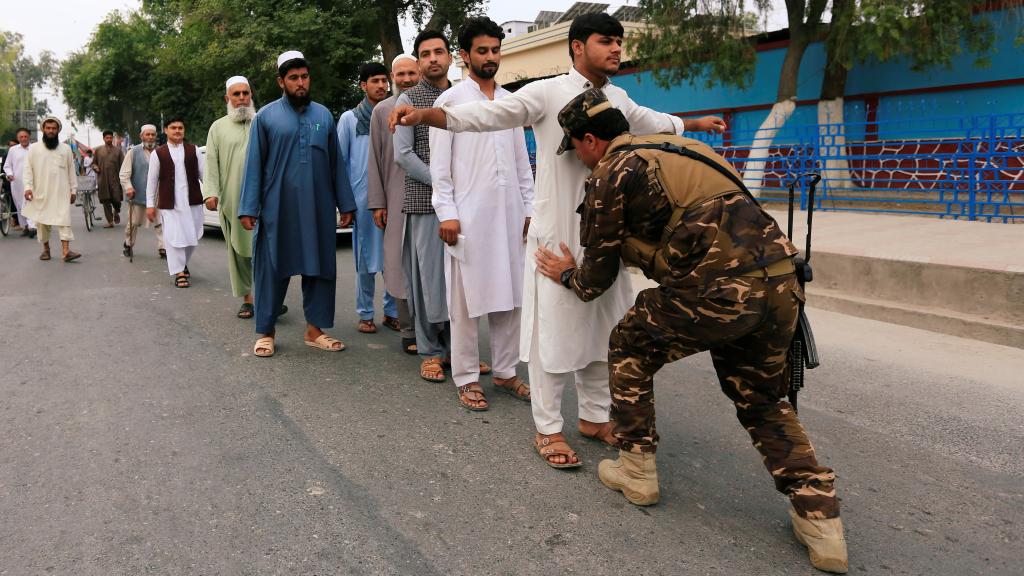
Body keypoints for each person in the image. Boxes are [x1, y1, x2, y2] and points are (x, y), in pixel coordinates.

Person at [533, 88, 847, 573]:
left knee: (629, 344)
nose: (578, 157)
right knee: (762, 400)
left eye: (575, 147)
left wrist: (566, 273)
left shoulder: (610, 174)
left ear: (589, 140)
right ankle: (821, 521)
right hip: (781, 283)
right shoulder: (690, 150)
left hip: (718, 290)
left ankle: (636, 468)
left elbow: (595, 281)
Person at [391, 13, 726, 467]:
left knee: (603, 330)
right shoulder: (545, 93)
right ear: (576, 47)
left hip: (605, 239)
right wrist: (425, 113)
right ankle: (548, 428)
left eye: (618, 41)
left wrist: (696, 124)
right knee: (552, 334)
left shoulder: (618, 98)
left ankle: (593, 417)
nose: (615, 49)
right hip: (557, 238)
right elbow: (487, 115)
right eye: (606, 41)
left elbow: (653, 122)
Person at [429, 17, 534, 411]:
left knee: (511, 298)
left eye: (495, 50)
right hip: (468, 218)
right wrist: (447, 214)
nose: (491, 58)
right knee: (465, 302)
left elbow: (523, 165)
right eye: (482, 51)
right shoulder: (450, 103)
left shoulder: (510, 103)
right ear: (465, 56)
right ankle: (468, 377)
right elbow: (439, 169)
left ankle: (506, 372)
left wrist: (529, 208)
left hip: (510, 217)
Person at [238, 50, 356, 358]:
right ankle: (266, 331)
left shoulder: (323, 116)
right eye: (293, 78)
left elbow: (336, 164)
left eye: (304, 77)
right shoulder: (265, 117)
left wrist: (346, 203)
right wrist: (249, 207)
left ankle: (315, 330)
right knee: (271, 269)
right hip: (278, 208)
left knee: (320, 268)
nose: (301, 83)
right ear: (281, 82)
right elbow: (254, 165)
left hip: (318, 207)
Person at [337, 62, 398, 334]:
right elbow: (340, 162)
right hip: (363, 201)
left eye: (384, 80)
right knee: (365, 260)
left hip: (394, 196)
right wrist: (345, 202)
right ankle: (365, 313)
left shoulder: (395, 113)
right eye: (375, 81)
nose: (381, 86)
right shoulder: (350, 119)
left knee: (394, 258)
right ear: (363, 85)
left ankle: (393, 311)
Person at [368, 54, 421, 355]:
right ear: (392, 77)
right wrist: (378, 203)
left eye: (411, 73)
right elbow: (374, 160)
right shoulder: (382, 111)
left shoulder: (432, 105)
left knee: (431, 266)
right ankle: (408, 330)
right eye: (400, 74)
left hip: (429, 196)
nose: (406, 79)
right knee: (398, 264)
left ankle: (437, 328)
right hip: (395, 196)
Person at [204, 76, 258, 318]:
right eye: (236, 94)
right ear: (227, 98)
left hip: (262, 200)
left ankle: (269, 297)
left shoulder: (261, 123)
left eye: (245, 93)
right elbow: (211, 163)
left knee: (265, 250)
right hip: (233, 199)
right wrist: (211, 193)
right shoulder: (217, 127)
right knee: (238, 251)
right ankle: (248, 298)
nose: (241, 98)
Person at [145, 117, 205, 287]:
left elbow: (205, 175)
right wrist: (150, 205)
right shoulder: (159, 153)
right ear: (166, 130)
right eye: (173, 128)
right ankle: (179, 272)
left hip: (192, 202)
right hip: (170, 204)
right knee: (173, 237)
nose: (177, 131)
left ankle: (182, 263)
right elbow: (152, 181)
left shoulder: (194, 150)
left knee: (193, 236)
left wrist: (212, 196)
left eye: (180, 127)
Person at [21, 116, 80, 262]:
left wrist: (73, 190)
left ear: (58, 130)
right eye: (48, 128)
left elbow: (71, 171)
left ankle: (66, 251)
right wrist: (28, 188)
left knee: (64, 221)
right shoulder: (34, 149)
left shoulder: (65, 149)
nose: (51, 131)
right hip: (41, 192)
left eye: (54, 128)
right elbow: (28, 170)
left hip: (61, 192)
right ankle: (46, 250)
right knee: (42, 223)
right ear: (43, 129)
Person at [119, 124, 165, 258]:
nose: (150, 137)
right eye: (147, 134)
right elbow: (124, 174)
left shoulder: (162, 152)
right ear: (141, 136)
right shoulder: (133, 152)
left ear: (155, 136)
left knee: (160, 222)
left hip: (158, 195)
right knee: (134, 223)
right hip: (138, 194)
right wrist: (128, 187)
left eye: (152, 135)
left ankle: (163, 247)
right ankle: (128, 243)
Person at [4, 128, 36, 237]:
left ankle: (32, 226)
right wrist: (9, 174)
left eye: (25, 136)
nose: (23, 139)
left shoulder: (35, 149)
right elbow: (7, 165)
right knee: (19, 205)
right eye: (21, 137)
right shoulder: (13, 150)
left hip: (32, 182)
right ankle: (26, 227)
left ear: (29, 137)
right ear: (18, 138)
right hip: (16, 182)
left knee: (30, 202)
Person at [94, 129, 125, 228]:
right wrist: (95, 167)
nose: (109, 139)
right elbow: (94, 163)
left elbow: (124, 165)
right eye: (107, 138)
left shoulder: (118, 151)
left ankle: (116, 211)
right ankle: (110, 221)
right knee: (105, 200)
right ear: (103, 139)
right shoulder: (98, 150)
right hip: (102, 180)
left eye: (110, 137)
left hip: (115, 179)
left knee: (116, 199)